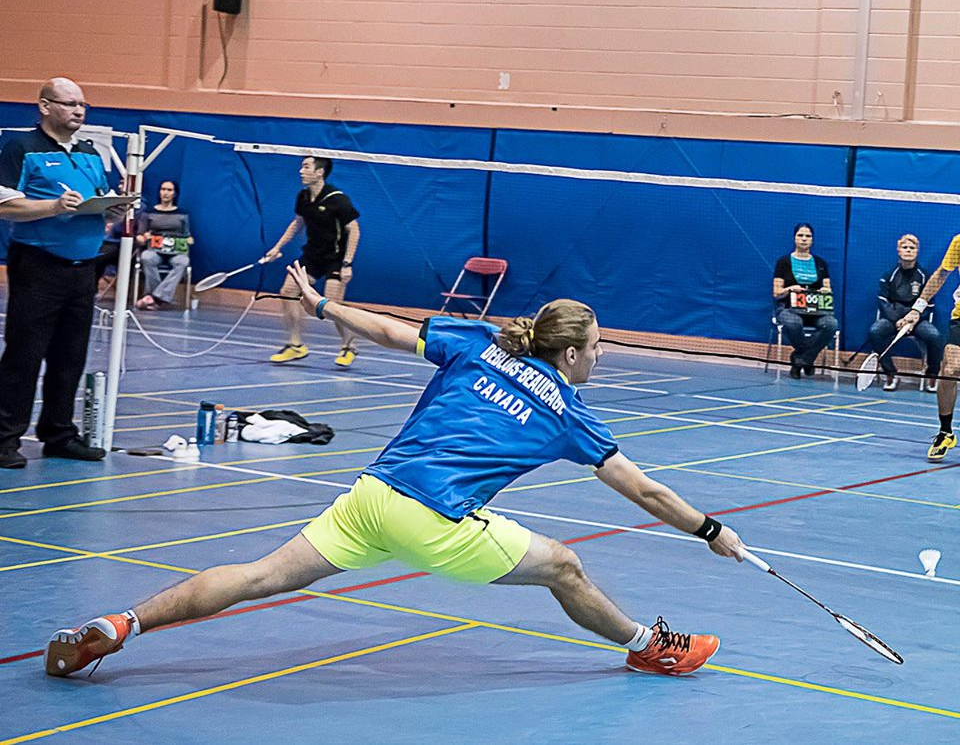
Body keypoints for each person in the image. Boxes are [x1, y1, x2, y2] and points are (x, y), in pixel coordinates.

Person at [45, 263, 745, 680]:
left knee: (257, 575)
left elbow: (385, 330)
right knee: (563, 566)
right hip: (433, 517)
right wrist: (711, 529)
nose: (602, 355)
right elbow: (644, 488)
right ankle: (648, 647)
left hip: (373, 496)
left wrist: (321, 307)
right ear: (569, 356)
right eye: (597, 347)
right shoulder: (569, 408)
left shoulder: (477, 343)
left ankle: (122, 621)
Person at [0, 77, 125, 470]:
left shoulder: (91, 152)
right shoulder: (21, 148)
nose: (78, 111)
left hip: (83, 268)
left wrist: (112, 210)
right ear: (44, 106)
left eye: (83, 105)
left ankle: (59, 434)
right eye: (70, 104)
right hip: (38, 266)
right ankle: (4, 439)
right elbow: (6, 206)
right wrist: (53, 206)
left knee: (70, 356)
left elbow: (96, 203)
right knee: (24, 355)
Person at [264, 156, 361, 368]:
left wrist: (347, 264)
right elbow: (298, 222)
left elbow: (354, 229)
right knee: (288, 291)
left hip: (335, 259)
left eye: (306, 167)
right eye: (301, 166)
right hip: (312, 256)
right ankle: (296, 345)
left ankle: (348, 347)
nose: (301, 171)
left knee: (333, 305)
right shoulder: (303, 196)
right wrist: (276, 248)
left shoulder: (338, 199)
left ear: (319, 172)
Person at [900, 232, 960, 461]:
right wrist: (917, 308)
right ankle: (945, 432)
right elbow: (941, 274)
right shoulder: (959, 242)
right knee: (950, 369)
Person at [869, 233, 942, 392]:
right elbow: (883, 301)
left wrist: (913, 320)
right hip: (893, 318)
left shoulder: (925, 276)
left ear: (917, 251)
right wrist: (898, 319)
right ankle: (891, 374)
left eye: (912, 248)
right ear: (898, 251)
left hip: (917, 319)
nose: (908, 250)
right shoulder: (889, 274)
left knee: (935, 336)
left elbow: (929, 304)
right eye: (905, 247)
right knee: (875, 331)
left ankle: (932, 375)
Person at [772, 223, 839, 379]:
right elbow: (776, 292)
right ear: (794, 238)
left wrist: (824, 291)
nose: (804, 239)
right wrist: (791, 289)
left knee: (831, 324)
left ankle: (801, 359)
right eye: (800, 235)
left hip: (816, 311)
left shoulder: (821, 263)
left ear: (812, 240)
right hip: (789, 308)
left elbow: (828, 289)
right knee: (794, 323)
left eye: (807, 236)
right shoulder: (783, 262)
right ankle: (807, 359)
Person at [135, 180, 192, 310]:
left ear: (175, 194)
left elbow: (187, 234)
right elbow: (140, 235)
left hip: (176, 252)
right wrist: (143, 238)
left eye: (169, 190)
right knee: (146, 257)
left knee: (183, 261)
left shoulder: (182, 214)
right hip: (154, 250)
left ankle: (154, 297)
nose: (165, 193)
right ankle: (158, 299)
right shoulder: (149, 212)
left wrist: (189, 239)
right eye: (163, 189)